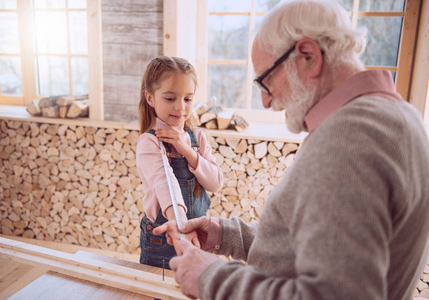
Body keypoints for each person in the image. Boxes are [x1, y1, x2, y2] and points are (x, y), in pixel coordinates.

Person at [153, 0, 429, 299]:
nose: (266, 102)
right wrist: (226, 234)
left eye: (266, 81)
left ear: (308, 56)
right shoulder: (395, 117)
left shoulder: (350, 139)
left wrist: (210, 277)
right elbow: (314, 247)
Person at [136, 56, 223, 269]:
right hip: (163, 241)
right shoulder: (150, 142)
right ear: (150, 98)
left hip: (195, 236)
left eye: (187, 99)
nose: (180, 107)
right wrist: (181, 226)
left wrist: (186, 150)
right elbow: (165, 183)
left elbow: (215, 183)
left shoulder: (198, 138)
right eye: (170, 98)